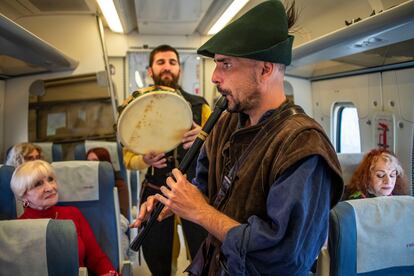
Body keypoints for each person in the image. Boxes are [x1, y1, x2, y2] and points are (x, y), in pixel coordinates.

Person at [131, 1, 344, 275]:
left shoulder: (302, 145)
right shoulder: (226, 123)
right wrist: (174, 201)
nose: (215, 77)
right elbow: (206, 189)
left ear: (265, 70)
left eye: (226, 64)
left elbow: (285, 256)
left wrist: (199, 212)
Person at [122, 44, 210, 275]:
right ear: (150, 70)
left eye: (172, 62)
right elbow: (128, 159)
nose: (167, 67)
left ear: (179, 69)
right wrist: (144, 159)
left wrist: (204, 139)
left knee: (204, 253)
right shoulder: (134, 106)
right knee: (159, 259)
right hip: (155, 190)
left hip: (195, 191)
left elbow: (220, 148)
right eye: (160, 62)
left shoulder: (200, 105)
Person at [10, 160, 117, 275]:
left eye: (50, 179)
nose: (50, 188)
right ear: (23, 196)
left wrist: (110, 273)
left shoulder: (73, 214)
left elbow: (95, 257)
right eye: (38, 184)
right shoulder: (17, 229)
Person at [86, 147, 130, 218]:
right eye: (88, 161)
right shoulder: (84, 186)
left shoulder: (119, 185)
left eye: (95, 161)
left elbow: (122, 217)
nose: (90, 165)